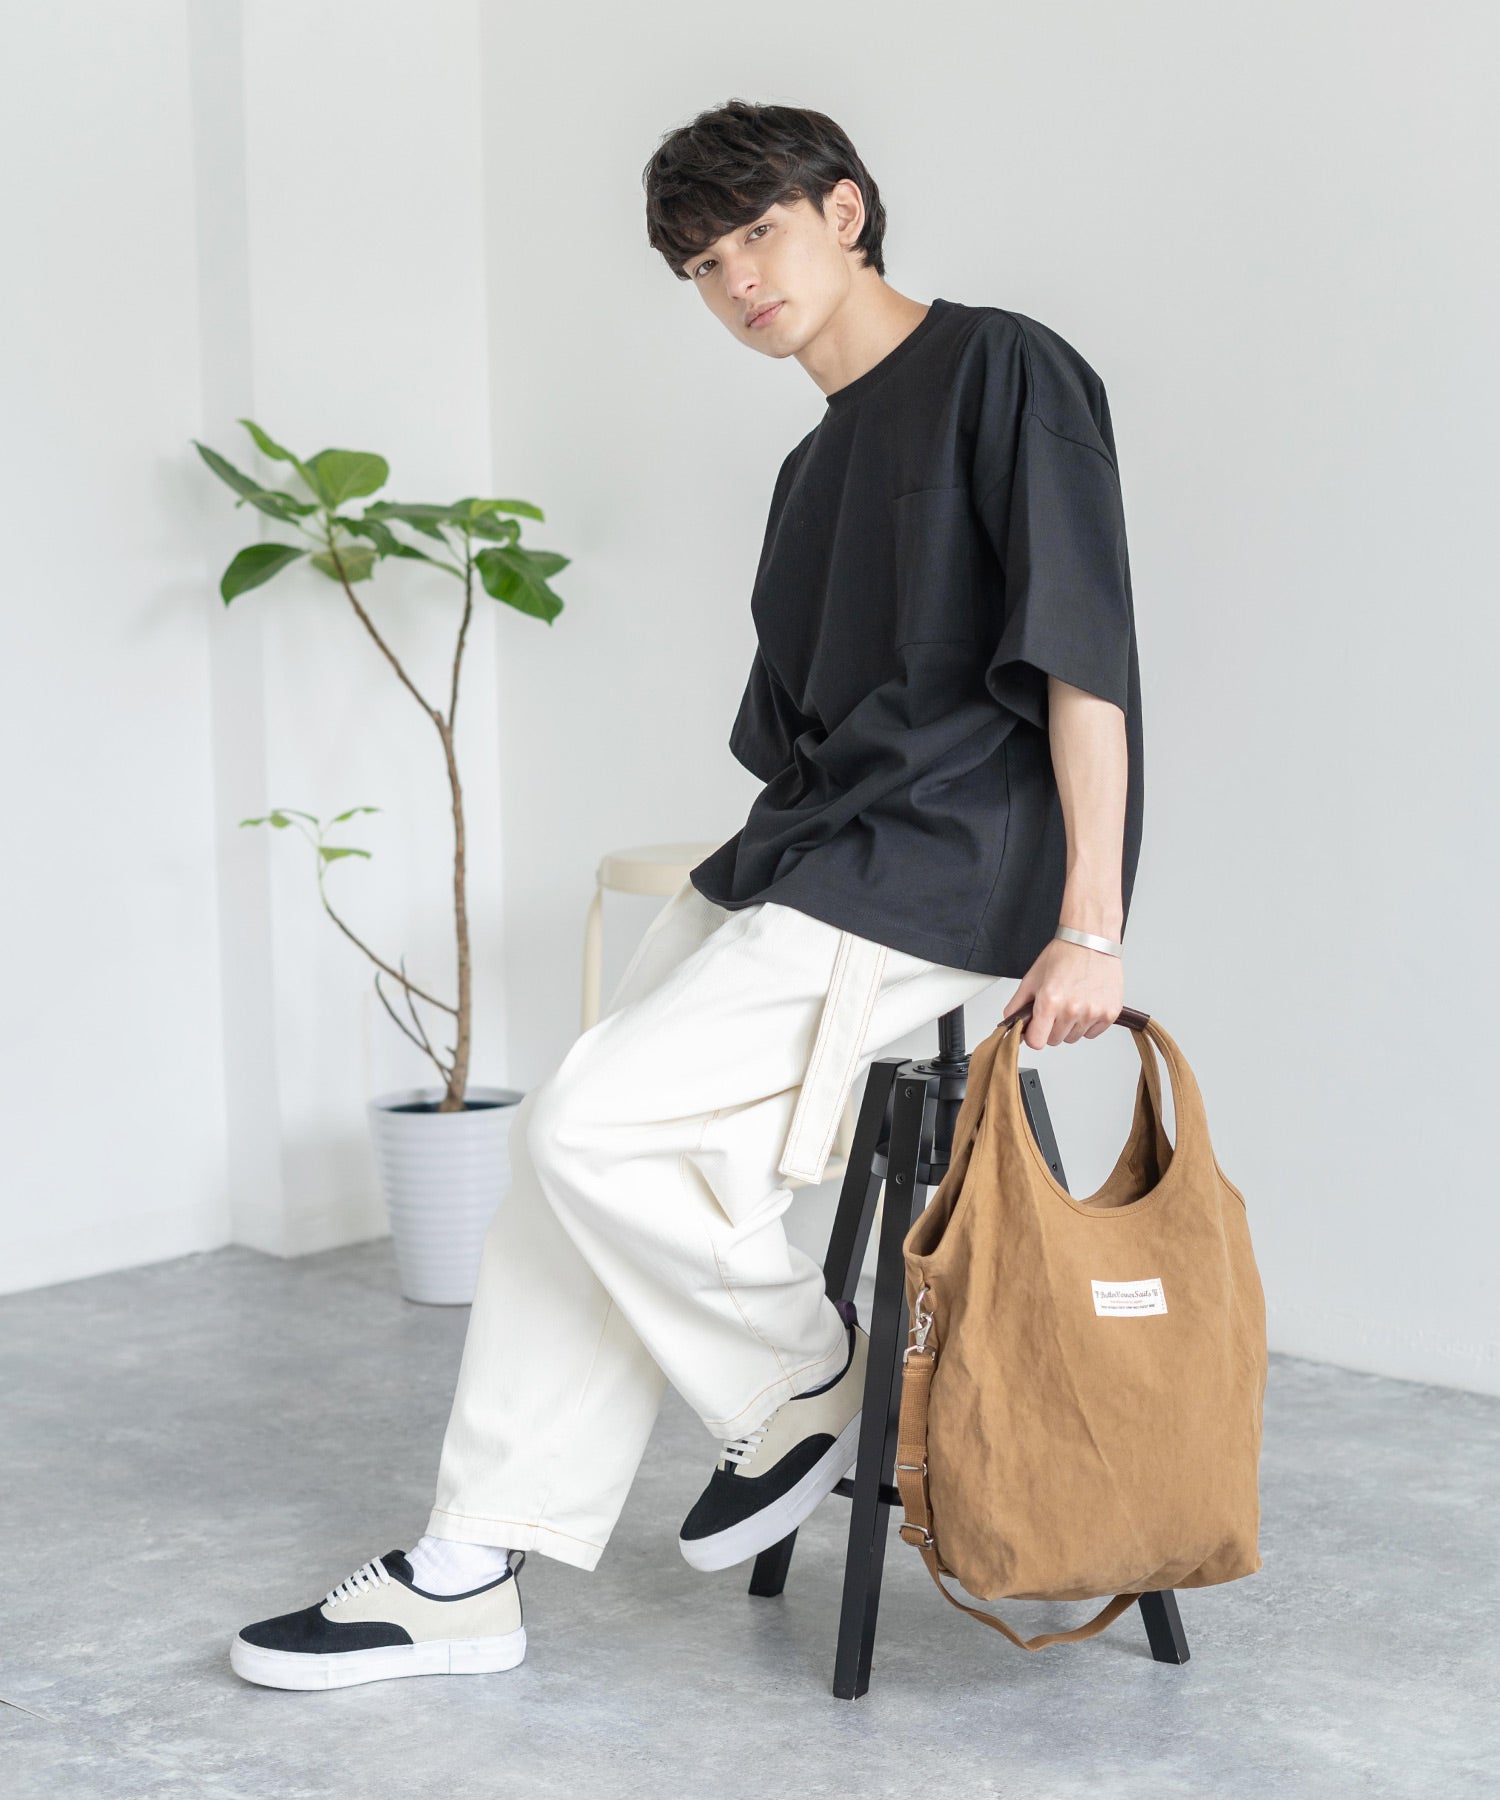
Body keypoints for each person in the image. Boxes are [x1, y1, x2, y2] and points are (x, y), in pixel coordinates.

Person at [229, 97, 1144, 1691]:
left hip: (944, 865)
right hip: (812, 852)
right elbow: (796, 728)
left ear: (845, 210)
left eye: (758, 237)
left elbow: (1085, 661)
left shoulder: (1005, 368)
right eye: (705, 266)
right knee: (560, 1154)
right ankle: (467, 1567)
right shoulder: (810, 470)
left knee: (590, 1125)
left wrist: (1091, 922)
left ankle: (798, 1376)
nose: (738, 284)